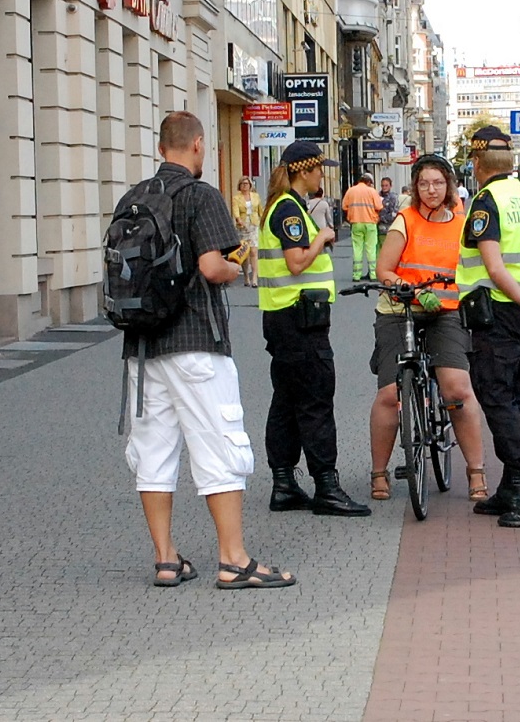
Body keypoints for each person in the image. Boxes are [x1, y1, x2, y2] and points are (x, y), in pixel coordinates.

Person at [118, 111, 295, 590]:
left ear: (161, 148)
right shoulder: (201, 195)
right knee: (220, 445)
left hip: (142, 346)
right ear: (198, 144)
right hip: (196, 340)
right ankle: (234, 560)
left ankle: (166, 559)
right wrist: (236, 270)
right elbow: (213, 267)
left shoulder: (133, 198)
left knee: (153, 451)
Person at [454, 126, 520, 528]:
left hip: (497, 312)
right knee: (515, 395)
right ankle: (512, 486)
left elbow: (494, 267)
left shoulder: (486, 202)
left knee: (496, 396)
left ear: (477, 163)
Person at [258, 140, 370, 517]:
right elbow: (296, 262)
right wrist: (322, 236)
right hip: (299, 319)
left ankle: (284, 484)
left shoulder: (284, 205)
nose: (322, 175)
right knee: (316, 400)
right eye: (319, 169)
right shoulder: (289, 209)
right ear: (304, 171)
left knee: (287, 401)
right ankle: (326, 486)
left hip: (285, 318)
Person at [367, 154, 488, 502]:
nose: (431, 190)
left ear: (449, 186)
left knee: (457, 390)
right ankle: (379, 472)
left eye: (437, 183)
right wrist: (414, 290)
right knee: (390, 393)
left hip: (445, 312)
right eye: (423, 184)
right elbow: (384, 270)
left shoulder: (462, 225)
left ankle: (476, 471)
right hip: (400, 309)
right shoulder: (405, 221)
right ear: (416, 187)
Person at [342, 173, 382, 280]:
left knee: (357, 249)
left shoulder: (351, 191)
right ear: (368, 182)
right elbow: (379, 206)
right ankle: (373, 274)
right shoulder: (372, 191)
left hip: (356, 222)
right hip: (370, 223)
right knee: (371, 249)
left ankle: (356, 275)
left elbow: (344, 206)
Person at [230, 176, 262, 287]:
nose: (245, 186)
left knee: (254, 251)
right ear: (239, 186)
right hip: (242, 226)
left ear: (250, 185)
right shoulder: (236, 198)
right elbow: (235, 212)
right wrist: (239, 220)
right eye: (242, 184)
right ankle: (246, 276)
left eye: (247, 183)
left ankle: (254, 278)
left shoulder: (256, 196)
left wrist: (263, 221)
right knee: (245, 252)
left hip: (254, 225)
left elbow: (260, 210)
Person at [376, 176, 398, 250]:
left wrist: (381, 218)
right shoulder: (377, 196)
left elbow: (394, 213)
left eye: (386, 185)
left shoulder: (393, 197)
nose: (384, 187)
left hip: (388, 227)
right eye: (382, 185)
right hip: (377, 228)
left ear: (390, 186)